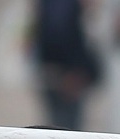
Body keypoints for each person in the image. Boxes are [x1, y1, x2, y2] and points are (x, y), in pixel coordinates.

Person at [34, 0, 102, 131]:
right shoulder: (63, 6)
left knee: (61, 129)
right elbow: (58, 31)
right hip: (67, 74)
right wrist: (74, 70)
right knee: (65, 132)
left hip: (61, 71)